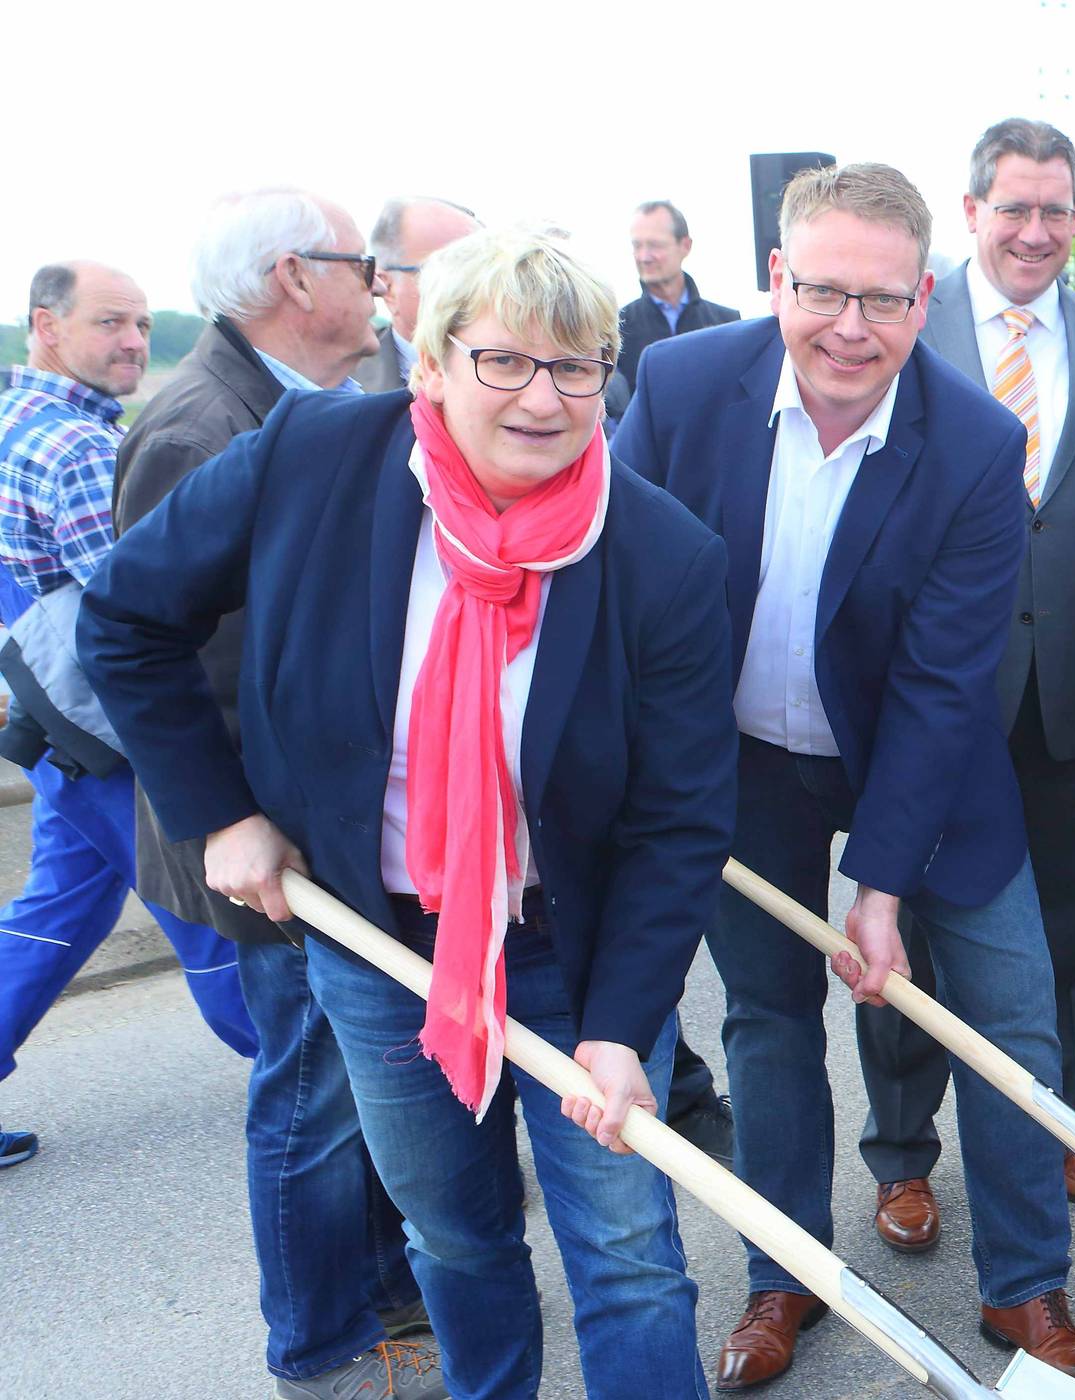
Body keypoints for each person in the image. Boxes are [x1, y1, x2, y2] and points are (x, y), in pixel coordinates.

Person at [82, 225, 737, 1399]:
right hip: (376, 941)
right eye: (504, 360)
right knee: (453, 1232)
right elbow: (125, 618)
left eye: (575, 366)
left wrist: (620, 1024)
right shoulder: (313, 459)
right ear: (430, 362)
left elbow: (679, 819)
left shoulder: (664, 555)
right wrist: (220, 811)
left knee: (629, 1254)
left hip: (573, 951)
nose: (543, 397)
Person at [615, 162, 1075, 1387]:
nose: (852, 326)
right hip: (741, 765)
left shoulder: (978, 441)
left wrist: (880, 885)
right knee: (767, 1015)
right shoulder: (681, 387)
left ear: (922, 297)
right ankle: (785, 1274)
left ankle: (1026, 1285)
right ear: (777, 278)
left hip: (921, 757)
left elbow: (945, 686)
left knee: (1009, 1011)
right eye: (825, 291)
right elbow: (614, 582)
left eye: (884, 300)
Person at [112, 188, 440, 1400]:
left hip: (322, 829)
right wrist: (242, 824)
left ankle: (387, 1290)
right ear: (297, 278)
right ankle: (318, 1347)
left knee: (356, 1079)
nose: (380, 282)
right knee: (309, 1094)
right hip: (268, 841)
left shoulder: (312, 402)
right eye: (363, 262)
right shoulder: (200, 425)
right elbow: (176, 656)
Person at [856, 118, 1075, 1231]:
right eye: (1014, 208)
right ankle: (902, 1153)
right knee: (910, 929)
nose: (1035, 230)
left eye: (1055, 210)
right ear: (972, 210)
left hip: (1070, 692)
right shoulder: (900, 325)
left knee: (1064, 929)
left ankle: (1052, 1123)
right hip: (924, 693)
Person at [0, 262, 256, 1170]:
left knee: (57, 910)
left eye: (143, 325)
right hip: (117, 734)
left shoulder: (14, 421)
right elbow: (141, 606)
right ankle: (321, 1092)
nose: (135, 343)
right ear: (47, 326)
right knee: (212, 915)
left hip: (60, 725)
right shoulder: (77, 447)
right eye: (110, 323)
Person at [614, 200, 739, 393]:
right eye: (637, 246)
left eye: (655, 245)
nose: (644, 257)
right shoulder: (619, 327)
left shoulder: (726, 323)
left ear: (685, 246)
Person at [356, 198, 480, 392]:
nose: (477, 286)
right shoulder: (341, 381)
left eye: (485, 271)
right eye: (451, 272)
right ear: (387, 287)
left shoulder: (526, 367)